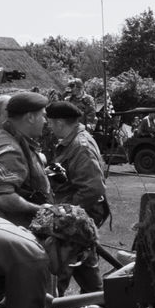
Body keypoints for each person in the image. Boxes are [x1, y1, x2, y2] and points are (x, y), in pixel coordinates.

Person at [44, 99, 108, 293]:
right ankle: (102, 305)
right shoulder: (73, 141)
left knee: (59, 266)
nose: (49, 127)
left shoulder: (80, 145)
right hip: (78, 215)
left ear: (60, 123)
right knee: (85, 267)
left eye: (50, 123)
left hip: (76, 217)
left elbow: (93, 189)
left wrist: (64, 212)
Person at [0, 91, 52, 226]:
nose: (45, 121)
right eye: (43, 116)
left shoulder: (16, 141)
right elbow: (2, 196)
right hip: (15, 229)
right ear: (30, 117)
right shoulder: (11, 149)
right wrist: (40, 209)